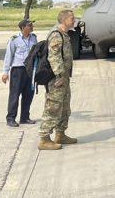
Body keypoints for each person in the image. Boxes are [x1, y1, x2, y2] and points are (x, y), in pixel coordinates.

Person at [38, 9, 77, 151]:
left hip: (64, 78)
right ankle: (44, 139)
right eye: (72, 18)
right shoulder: (56, 35)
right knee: (53, 107)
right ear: (64, 20)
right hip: (57, 79)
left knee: (64, 107)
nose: (74, 20)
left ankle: (60, 134)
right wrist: (60, 76)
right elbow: (53, 57)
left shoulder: (64, 35)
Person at [1, 19, 38, 127]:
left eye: (32, 25)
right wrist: (5, 72)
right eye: (29, 25)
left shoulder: (34, 38)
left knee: (28, 94)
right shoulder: (14, 40)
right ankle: (11, 118)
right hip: (18, 70)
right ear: (23, 27)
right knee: (15, 95)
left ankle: (25, 117)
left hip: (30, 70)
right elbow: (9, 56)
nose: (32, 27)